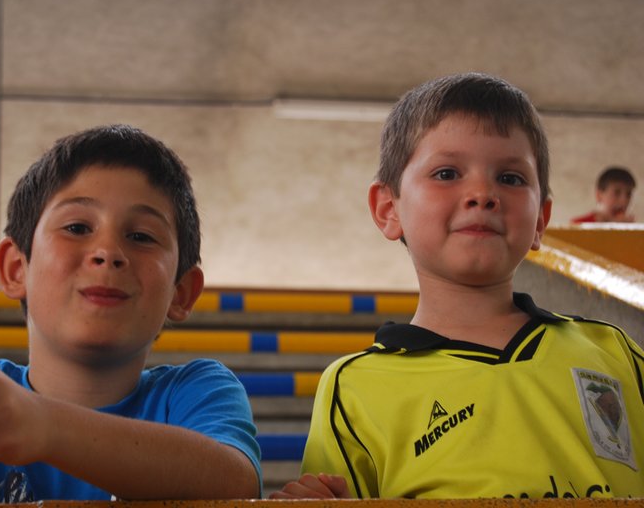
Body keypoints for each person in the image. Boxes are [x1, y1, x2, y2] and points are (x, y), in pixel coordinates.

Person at [271, 73, 644, 499]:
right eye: (447, 173)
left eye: (511, 178)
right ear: (389, 209)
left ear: (541, 219)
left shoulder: (615, 352)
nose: (483, 194)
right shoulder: (352, 389)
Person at [0, 125, 261, 504]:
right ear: (15, 268)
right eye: (77, 228)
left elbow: (234, 486)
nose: (108, 252)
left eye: (141, 236)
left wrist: (43, 424)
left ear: (181, 292)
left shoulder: (197, 391)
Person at [571, 166, 636, 223]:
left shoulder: (630, 228)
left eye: (629, 194)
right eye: (617, 193)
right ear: (599, 195)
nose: (624, 201)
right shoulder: (578, 225)